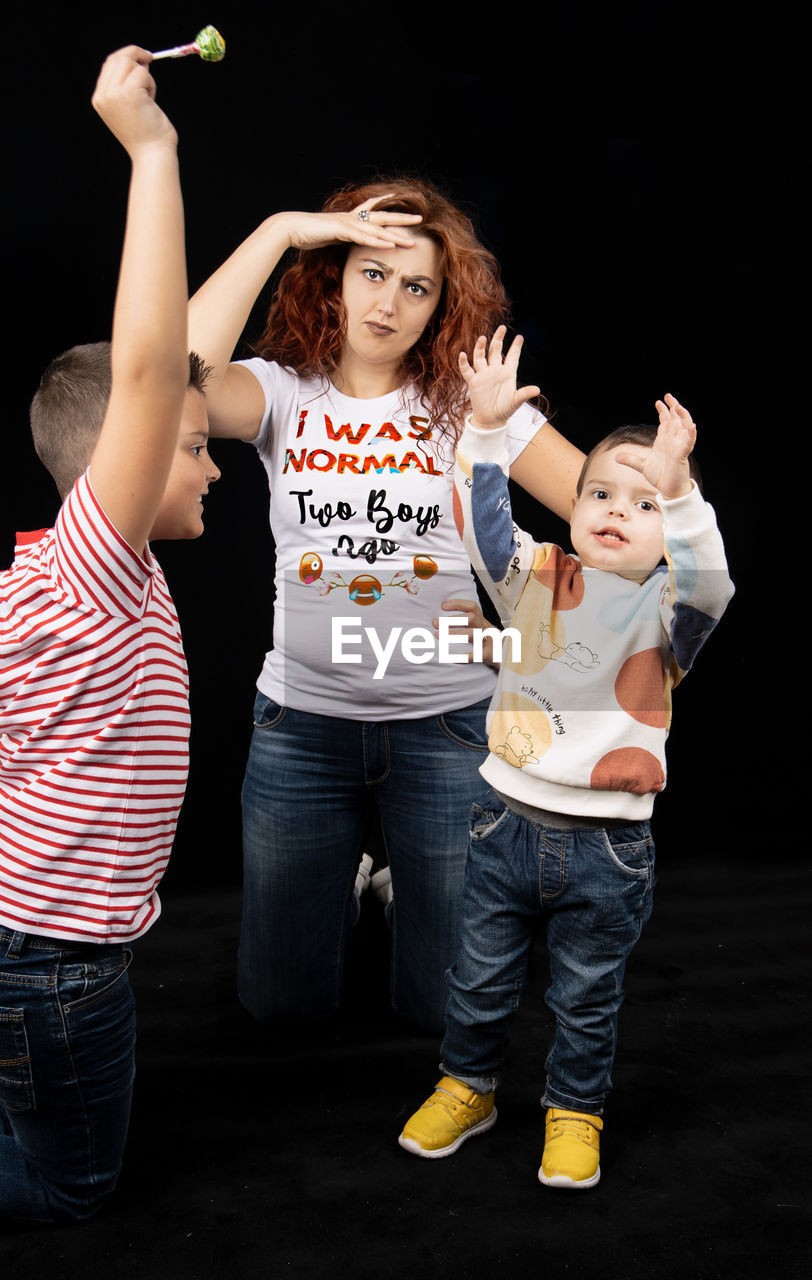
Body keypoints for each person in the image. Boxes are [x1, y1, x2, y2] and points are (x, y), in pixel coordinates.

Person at [188, 182, 585, 1032]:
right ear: (332, 276)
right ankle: (356, 884)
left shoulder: (464, 405)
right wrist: (277, 230)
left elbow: (596, 504)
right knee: (282, 1007)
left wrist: (664, 493)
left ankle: (395, 881)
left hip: (445, 727)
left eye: (417, 287)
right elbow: (167, 377)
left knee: (442, 1012)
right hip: (302, 727)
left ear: (443, 306)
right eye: (371, 273)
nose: (389, 302)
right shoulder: (280, 392)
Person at [398, 329, 734, 1186]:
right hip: (503, 824)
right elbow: (482, 529)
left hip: (607, 852)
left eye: (643, 502)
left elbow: (710, 580)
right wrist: (480, 431)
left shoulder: (670, 615)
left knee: (586, 999)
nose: (618, 509)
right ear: (575, 507)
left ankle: (574, 1109)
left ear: (669, 529)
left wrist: (683, 489)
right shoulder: (537, 576)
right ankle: (466, 1086)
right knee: (477, 979)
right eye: (601, 493)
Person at [0, 47, 220, 1221]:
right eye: (194, 448)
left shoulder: (58, 578)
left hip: (33, 943)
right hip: (55, 965)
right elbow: (149, 372)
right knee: (71, 1180)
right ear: (115, 470)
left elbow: (181, 364)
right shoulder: (95, 568)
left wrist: (281, 231)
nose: (210, 462)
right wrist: (153, 149)